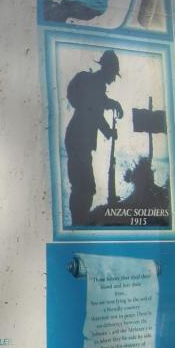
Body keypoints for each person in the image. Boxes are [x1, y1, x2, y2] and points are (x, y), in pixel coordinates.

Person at [64, 50, 124, 225]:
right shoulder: (95, 84)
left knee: (83, 187)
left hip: (77, 140)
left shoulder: (95, 84)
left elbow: (99, 104)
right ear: (108, 69)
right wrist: (109, 131)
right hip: (79, 141)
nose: (114, 79)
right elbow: (96, 113)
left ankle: (78, 222)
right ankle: (78, 224)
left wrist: (114, 104)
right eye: (114, 74)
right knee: (85, 187)